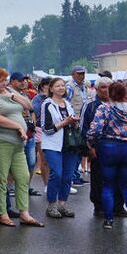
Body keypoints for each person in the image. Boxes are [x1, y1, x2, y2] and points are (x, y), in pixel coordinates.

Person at [0, 68, 43, 228]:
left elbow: (29, 106)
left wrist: (13, 95)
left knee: (23, 176)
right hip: (1, 141)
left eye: (5, 80)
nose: (4, 83)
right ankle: (2, 213)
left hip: (18, 143)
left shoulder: (9, 91)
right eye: (1, 81)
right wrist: (17, 126)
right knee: (1, 179)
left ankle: (24, 212)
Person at [81, 77, 124, 216]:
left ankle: (118, 207)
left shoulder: (120, 105)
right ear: (97, 89)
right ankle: (99, 207)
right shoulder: (91, 106)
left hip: (115, 148)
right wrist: (90, 147)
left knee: (120, 178)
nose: (106, 90)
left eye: (109, 87)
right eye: (103, 87)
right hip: (99, 147)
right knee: (99, 179)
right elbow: (85, 128)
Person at [40, 77, 80, 219]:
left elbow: (72, 124)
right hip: (53, 144)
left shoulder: (68, 104)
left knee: (68, 176)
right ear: (51, 89)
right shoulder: (47, 104)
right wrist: (65, 122)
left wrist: (74, 123)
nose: (61, 88)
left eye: (63, 85)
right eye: (57, 86)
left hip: (69, 144)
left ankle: (62, 204)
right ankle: (51, 204)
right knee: (57, 173)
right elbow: (47, 129)